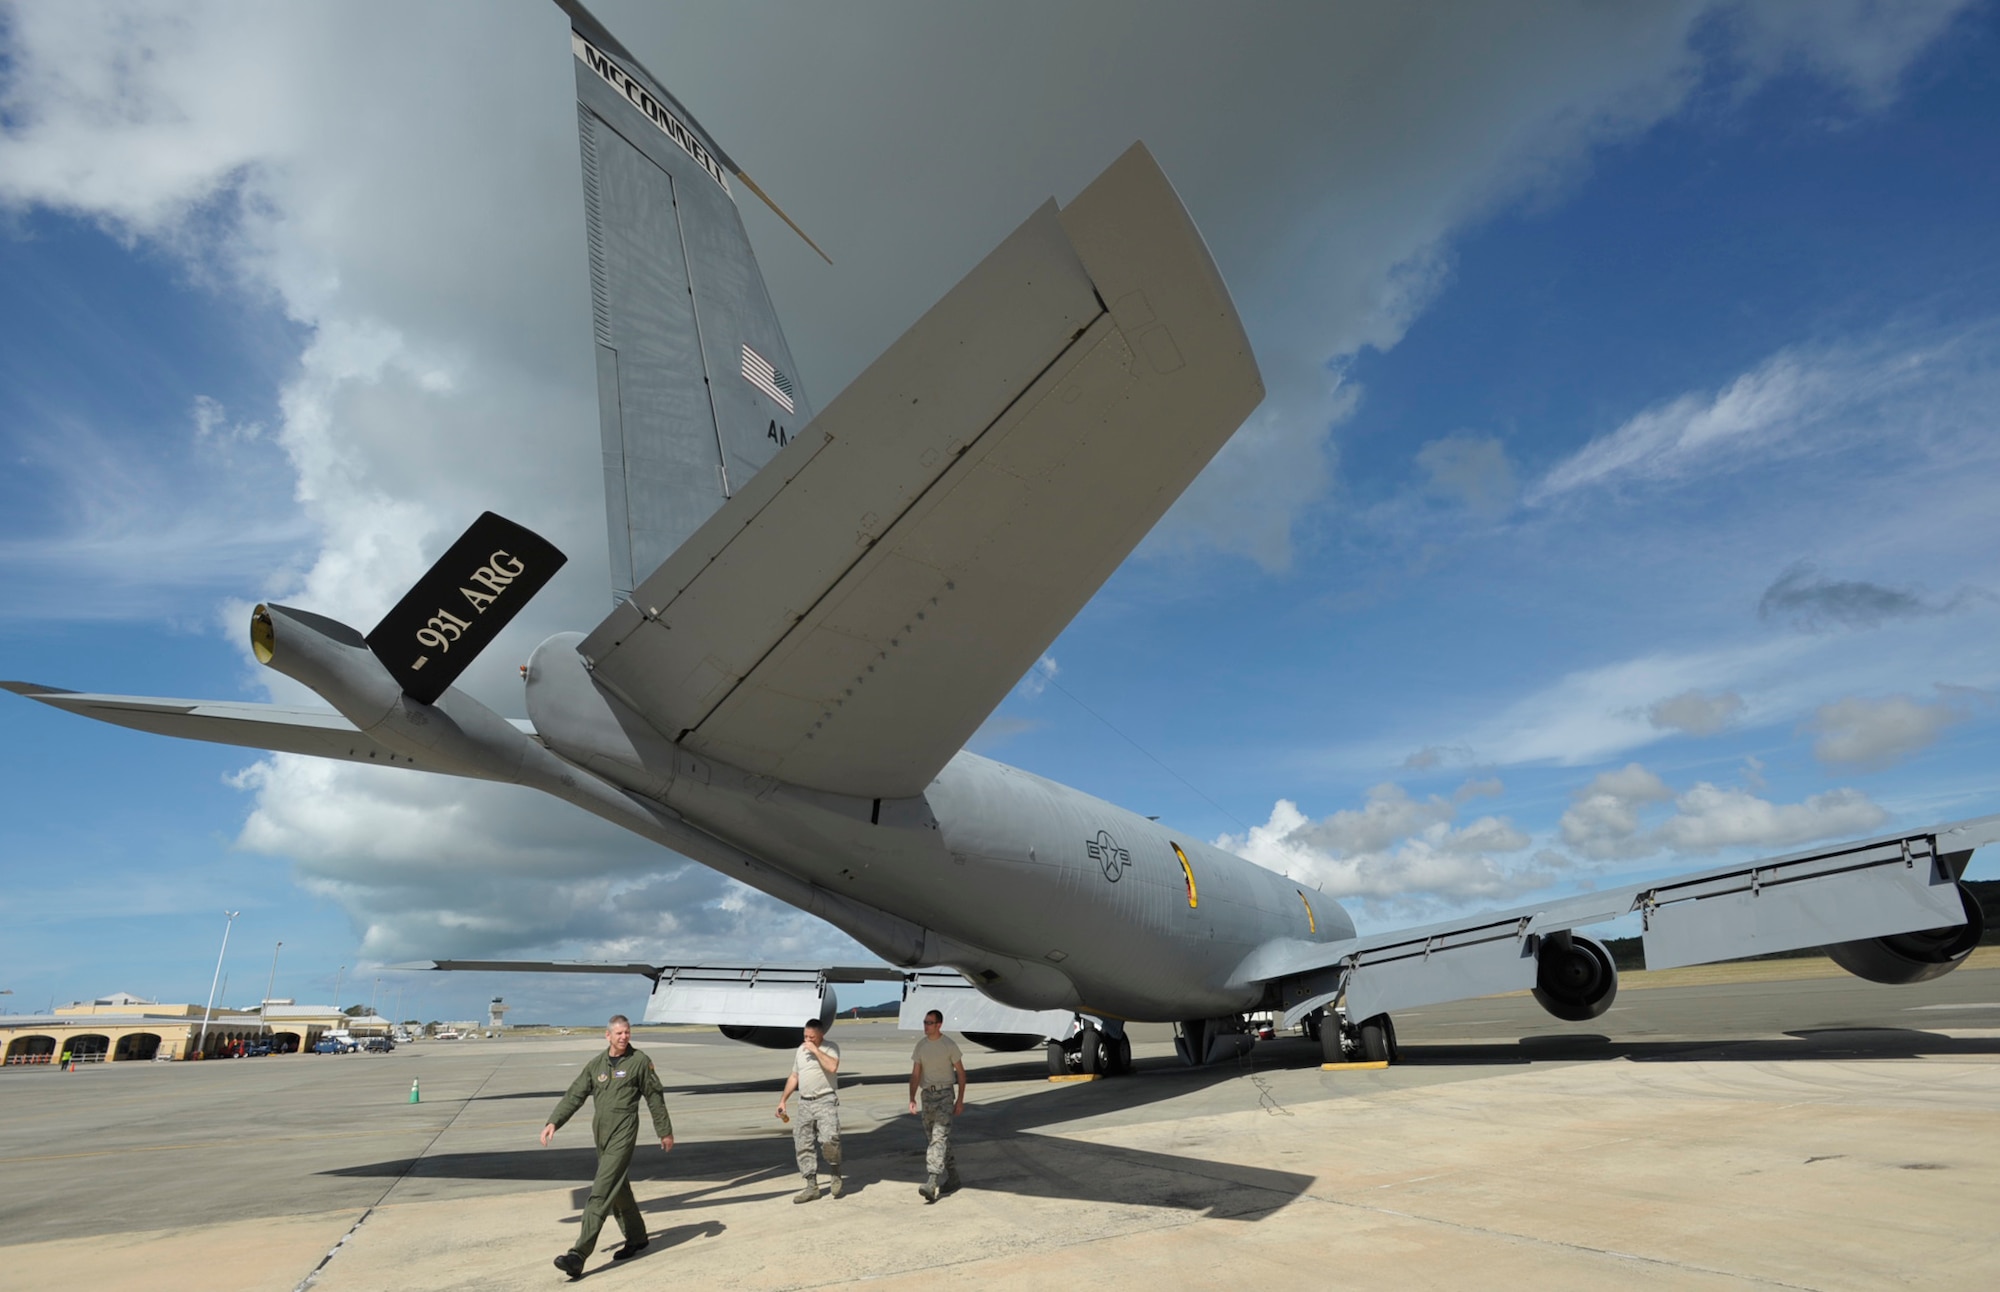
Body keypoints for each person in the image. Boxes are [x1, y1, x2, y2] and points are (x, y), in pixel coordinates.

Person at [540, 1015, 674, 1280]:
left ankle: (578, 1255)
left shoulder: (639, 1062)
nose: (624, 1037)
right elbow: (575, 1094)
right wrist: (554, 1121)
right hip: (601, 1135)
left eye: (627, 1032)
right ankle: (637, 1238)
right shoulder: (597, 1064)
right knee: (618, 1187)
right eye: (619, 1033)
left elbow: (654, 1097)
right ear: (608, 1035)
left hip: (623, 1135)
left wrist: (664, 1131)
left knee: (600, 1192)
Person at [775, 1017, 842, 1202]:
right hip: (805, 1102)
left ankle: (835, 1170)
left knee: (829, 1139)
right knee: (802, 1143)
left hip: (825, 1100)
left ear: (821, 1034)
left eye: (811, 1037)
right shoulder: (800, 1050)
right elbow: (794, 1076)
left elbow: (833, 1066)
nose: (807, 1040)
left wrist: (815, 1050)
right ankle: (811, 1186)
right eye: (805, 1036)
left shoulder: (830, 1048)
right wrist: (783, 1101)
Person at [906, 1008, 967, 1202]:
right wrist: (912, 1098)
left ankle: (932, 1181)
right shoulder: (921, 1046)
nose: (925, 1026)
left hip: (945, 1095)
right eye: (924, 1022)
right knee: (936, 1139)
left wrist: (960, 1100)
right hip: (927, 1096)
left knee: (938, 1138)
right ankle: (954, 1177)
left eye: (929, 1023)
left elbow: (961, 1073)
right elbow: (915, 1074)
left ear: (939, 1025)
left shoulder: (948, 1045)